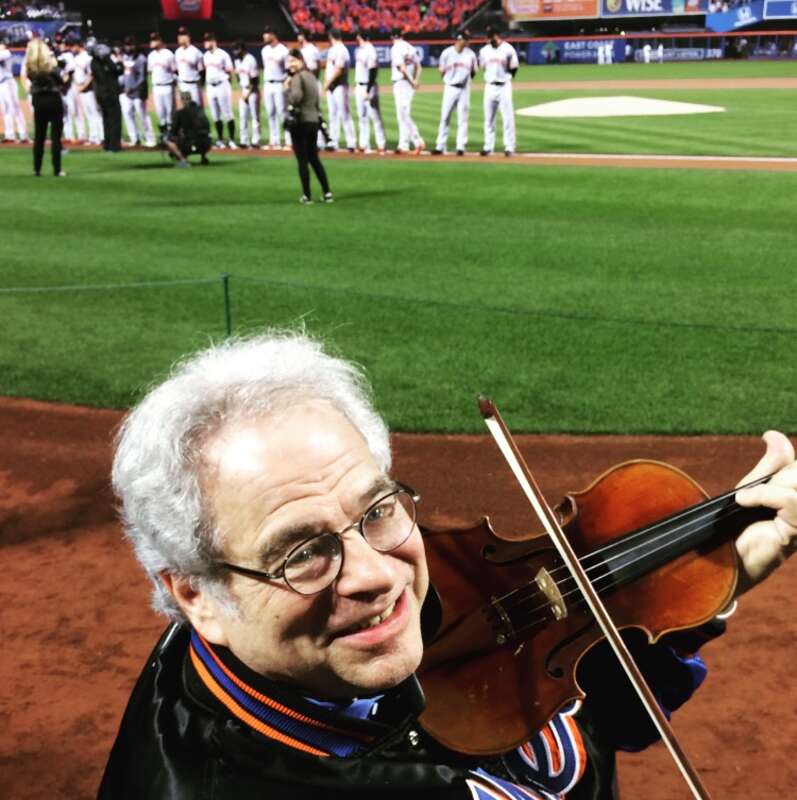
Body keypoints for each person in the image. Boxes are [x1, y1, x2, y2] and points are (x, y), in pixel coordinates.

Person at [98, 331, 797, 799]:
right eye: (303, 553)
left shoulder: (312, 637)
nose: (376, 573)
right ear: (196, 595)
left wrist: (696, 581)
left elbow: (585, 710)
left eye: (375, 509)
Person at [284, 49, 332, 204]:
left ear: (300, 60)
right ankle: (327, 193)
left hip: (300, 122)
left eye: (292, 61)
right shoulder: (312, 76)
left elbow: (296, 98)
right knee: (314, 159)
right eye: (288, 61)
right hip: (313, 122)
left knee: (302, 160)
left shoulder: (297, 77)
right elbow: (317, 103)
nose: (290, 64)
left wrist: (287, 90)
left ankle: (306, 196)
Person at [24, 36, 66, 176]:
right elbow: (61, 81)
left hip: (38, 100)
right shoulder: (51, 67)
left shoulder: (31, 68)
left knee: (39, 136)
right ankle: (57, 169)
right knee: (55, 137)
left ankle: (37, 169)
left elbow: (30, 79)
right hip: (53, 99)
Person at [432, 31, 477, 156]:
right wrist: (449, 81)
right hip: (450, 88)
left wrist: (466, 81)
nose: (468, 42)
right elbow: (441, 70)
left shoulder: (471, 54)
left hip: (464, 89)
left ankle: (461, 146)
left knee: (463, 118)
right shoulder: (447, 53)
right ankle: (440, 145)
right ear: (460, 39)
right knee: (445, 116)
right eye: (466, 40)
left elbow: (474, 71)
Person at [478, 27, 518, 157]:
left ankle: (509, 147)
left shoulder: (508, 49)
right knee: (488, 118)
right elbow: (483, 67)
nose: (489, 40)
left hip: (504, 87)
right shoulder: (484, 51)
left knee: (507, 118)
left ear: (497, 36)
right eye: (488, 37)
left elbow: (514, 67)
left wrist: (506, 77)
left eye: (491, 37)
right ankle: (488, 146)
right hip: (489, 86)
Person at [390, 27, 424, 155]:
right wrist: (415, 80)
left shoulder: (395, 48)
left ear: (392, 37)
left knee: (402, 115)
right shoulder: (410, 47)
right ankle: (403, 144)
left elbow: (402, 68)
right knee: (403, 114)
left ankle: (417, 140)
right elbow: (418, 66)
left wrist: (411, 81)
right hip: (409, 85)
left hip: (401, 83)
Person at [353, 29, 386, 154]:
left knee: (375, 116)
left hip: (368, 86)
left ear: (362, 37)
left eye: (358, 37)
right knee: (362, 117)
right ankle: (363, 144)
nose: (357, 39)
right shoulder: (361, 50)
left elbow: (373, 71)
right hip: (359, 85)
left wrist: (368, 89)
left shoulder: (370, 50)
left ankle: (381, 144)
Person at [323, 28, 355, 153]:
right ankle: (333, 141)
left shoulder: (341, 50)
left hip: (340, 85)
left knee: (344, 114)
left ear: (331, 37)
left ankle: (351, 142)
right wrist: (327, 82)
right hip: (332, 86)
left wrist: (328, 82)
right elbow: (330, 67)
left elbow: (339, 69)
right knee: (333, 115)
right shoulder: (333, 50)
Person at [202, 32, 236, 149]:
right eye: (205, 40)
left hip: (222, 85)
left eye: (207, 40)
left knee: (227, 114)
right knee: (215, 115)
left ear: (213, 41)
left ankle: (232, 140)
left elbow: (229, 72)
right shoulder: (205, 55)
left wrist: (228, 86)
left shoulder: (223, 54)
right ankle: (220, 140)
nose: (205, 43)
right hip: (210, 87)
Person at [120, 36, 156, 148]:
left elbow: (142, 78)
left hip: (138, 93)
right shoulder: (125, 57)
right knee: (127, 115)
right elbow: (123, 75)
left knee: (143, 115)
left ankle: (150, 139)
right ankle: (135, 138)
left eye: (130, 45)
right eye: (127, 45)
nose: (128, 47)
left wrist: (133, 88)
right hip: (125, 92)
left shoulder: (141, 58)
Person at [68, 37, 103, 145]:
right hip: (81, 89)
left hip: (90, 89)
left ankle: (101, 137)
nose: (71, 48)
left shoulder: (87, 57)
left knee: (95, 113)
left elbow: (91, 75)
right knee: (88, 114)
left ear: (78, 45)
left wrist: (83, 86)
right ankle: (93, 137)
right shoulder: (76, 58)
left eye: (72, 46)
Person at [90, 40, 123, 152]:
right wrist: (119, 62)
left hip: (100, 94)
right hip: (110, 93)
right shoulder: (106, 61)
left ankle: (107, 144)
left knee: (106, 119)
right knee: (115, 119)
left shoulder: (93, 63)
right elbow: (118, 71)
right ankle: (114, 146)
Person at [163, 89, 211, 167]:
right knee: (199, 134)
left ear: (182, 100)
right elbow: (207, 127)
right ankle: (204, 157)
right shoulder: (200, 111)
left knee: (168, 140)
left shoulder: (180, 113)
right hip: (206, 143)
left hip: (190, 144)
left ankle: (183, 160)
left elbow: (173, 131)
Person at [261, 27, 290, 150]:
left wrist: (286, 84)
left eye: (266, 34)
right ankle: (275, 141)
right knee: (270, 113)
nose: (264, 36)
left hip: (279, 84)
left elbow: (288, 70)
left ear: (273, 35)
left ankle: (289, 141)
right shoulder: (264, 50)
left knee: (282, 113)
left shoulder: (283, 50)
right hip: (268, 84)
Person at [147, 32, 176, 139]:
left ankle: (171, 135)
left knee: (170, 113)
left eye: (154, 40)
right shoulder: (151, 55)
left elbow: (175, 71)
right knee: (160, 113)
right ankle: (164, 136)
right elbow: (150, 72)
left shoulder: (168, 54)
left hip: (167, 86)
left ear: (160, 41)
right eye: (151, 40)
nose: (152, 42)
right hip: (156, 87)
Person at [0, 36, 29, 142]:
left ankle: (23, 135)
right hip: (1, 85)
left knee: (15, 108)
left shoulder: (6, 53)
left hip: (9, 83)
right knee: (6, 110)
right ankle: (9, 135)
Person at [233, 39, 260, 148]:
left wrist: (247, 93)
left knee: (254, 117)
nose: (235, 52)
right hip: (243, 90)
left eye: (236, 49)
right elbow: (238, 76)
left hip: (252, 91)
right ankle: (244, 141)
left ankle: (255, 141)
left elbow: (255, 80)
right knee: (243, 116)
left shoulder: (250, 60)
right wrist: (241, 90)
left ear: (242, 49)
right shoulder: (237, 61)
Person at [174, 26, 204, 106]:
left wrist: (201, 87)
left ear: (188, 37)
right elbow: (176, 71)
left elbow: (202, 71)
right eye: (179, 35)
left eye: (182, 35)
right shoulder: (177, 52)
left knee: (196, 109)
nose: (179, 37)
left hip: (194, 86)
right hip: (182, 85)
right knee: (185, 110)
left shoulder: (196, 52)